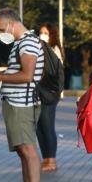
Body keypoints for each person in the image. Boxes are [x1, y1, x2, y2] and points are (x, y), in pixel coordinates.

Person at [0, 8, 47, 182]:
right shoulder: (21, 43)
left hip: (23, 104)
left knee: (29, 150)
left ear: (12, 24)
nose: (1, 33)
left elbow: (27, 75)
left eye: (1, 29)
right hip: (16, 102)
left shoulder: (28, 42)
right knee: (23, 150)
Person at [37, 23, 63, 172]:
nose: (43, 35)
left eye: (46, 33)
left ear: (52, 35)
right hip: (38, 92)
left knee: (47, 126)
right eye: (41, 32)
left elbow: (55, 74)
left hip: (49, 94)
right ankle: (45, 158)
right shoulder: (39, 49)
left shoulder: (54, 50)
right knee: (39, 127)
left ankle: (52, 159)